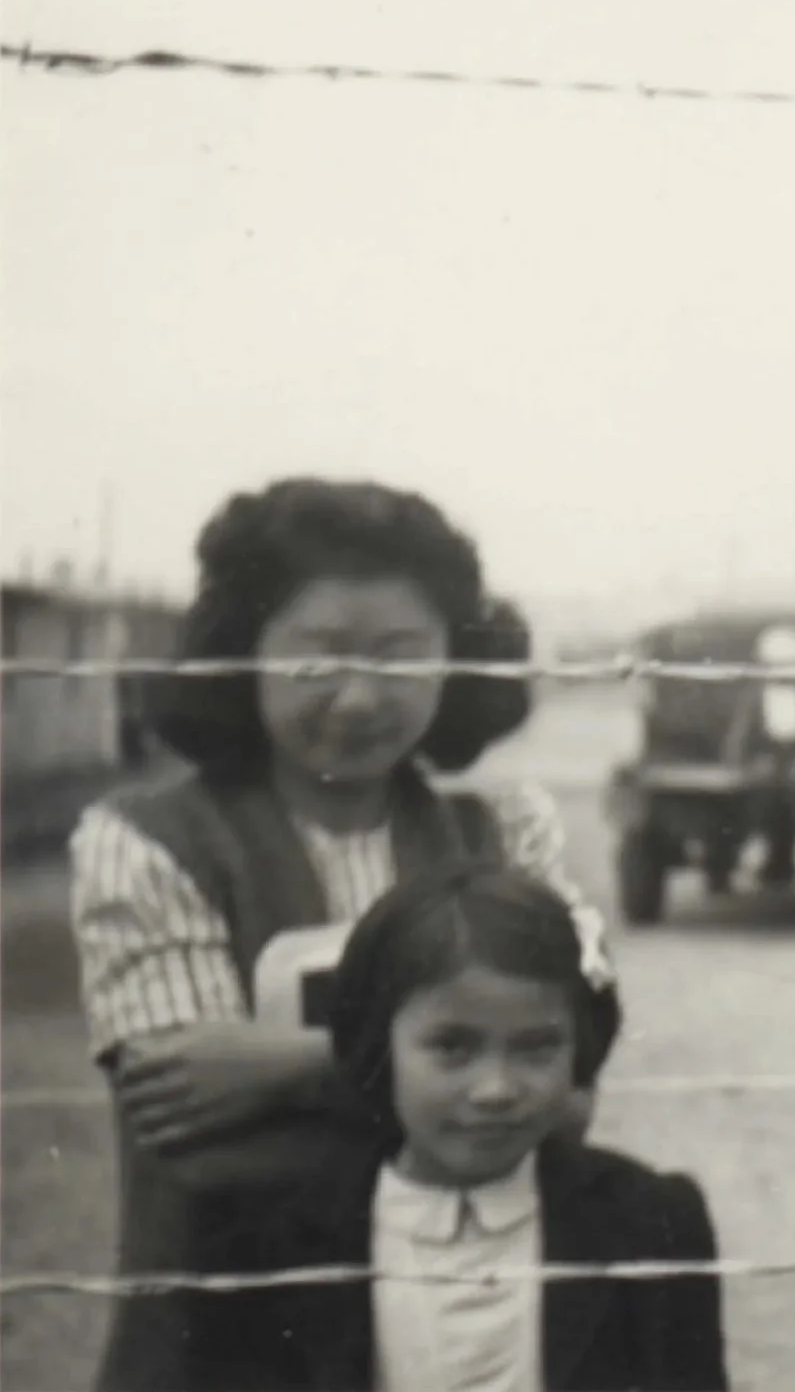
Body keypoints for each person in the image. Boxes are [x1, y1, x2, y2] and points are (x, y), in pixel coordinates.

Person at [68, 478, 594, 1391]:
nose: (359, 698)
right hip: (226, 1344)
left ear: (455, 661)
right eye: (319, 657)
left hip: (472, 1331)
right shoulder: (144, 841)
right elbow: (193, 1133)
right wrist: (461, 1065)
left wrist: (282, 1063)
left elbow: (570, 1093)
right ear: (241, 656)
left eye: (399, 656)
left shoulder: (509, 830)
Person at [181, 865, 728, 1392]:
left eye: (537, 1047)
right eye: (452, 1047)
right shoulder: (268, 1239)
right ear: (379, 1045)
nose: (495, 1089)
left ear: (580, 1049)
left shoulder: (652, 1221)